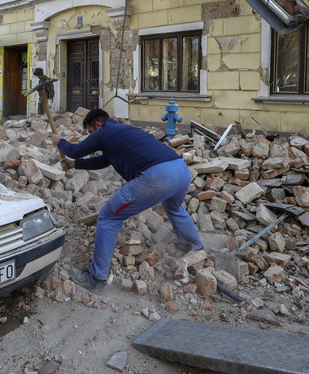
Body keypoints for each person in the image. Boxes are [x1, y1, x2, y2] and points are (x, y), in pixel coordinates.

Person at [52, 108, 203, 293]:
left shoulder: (104, 132)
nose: (91, 136)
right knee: (174, 208)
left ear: (98, 125)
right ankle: (196, 248)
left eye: (90, 132)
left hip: (158, 176)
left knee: (109, 217)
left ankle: (96, 278)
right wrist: (75, 165)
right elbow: (104, 161)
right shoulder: (123, 130)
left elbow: (75, 150)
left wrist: (60, 142)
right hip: (181, 170)